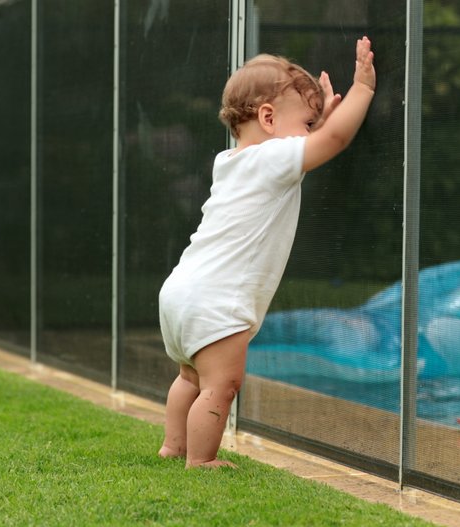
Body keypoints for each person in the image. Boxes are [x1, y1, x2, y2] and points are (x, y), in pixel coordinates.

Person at [157, 37, 377, 468]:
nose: (311, 134)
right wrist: (362, 90)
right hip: (218, 299)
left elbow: (307, 144)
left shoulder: (231, 162)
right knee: (221, 385)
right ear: (268, 118)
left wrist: (312, 126)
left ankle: (172, 445)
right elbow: (334, 139)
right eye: (308, 123)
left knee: (189, 376)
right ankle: (201, 461)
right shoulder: (274, 157)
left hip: (182, 290)